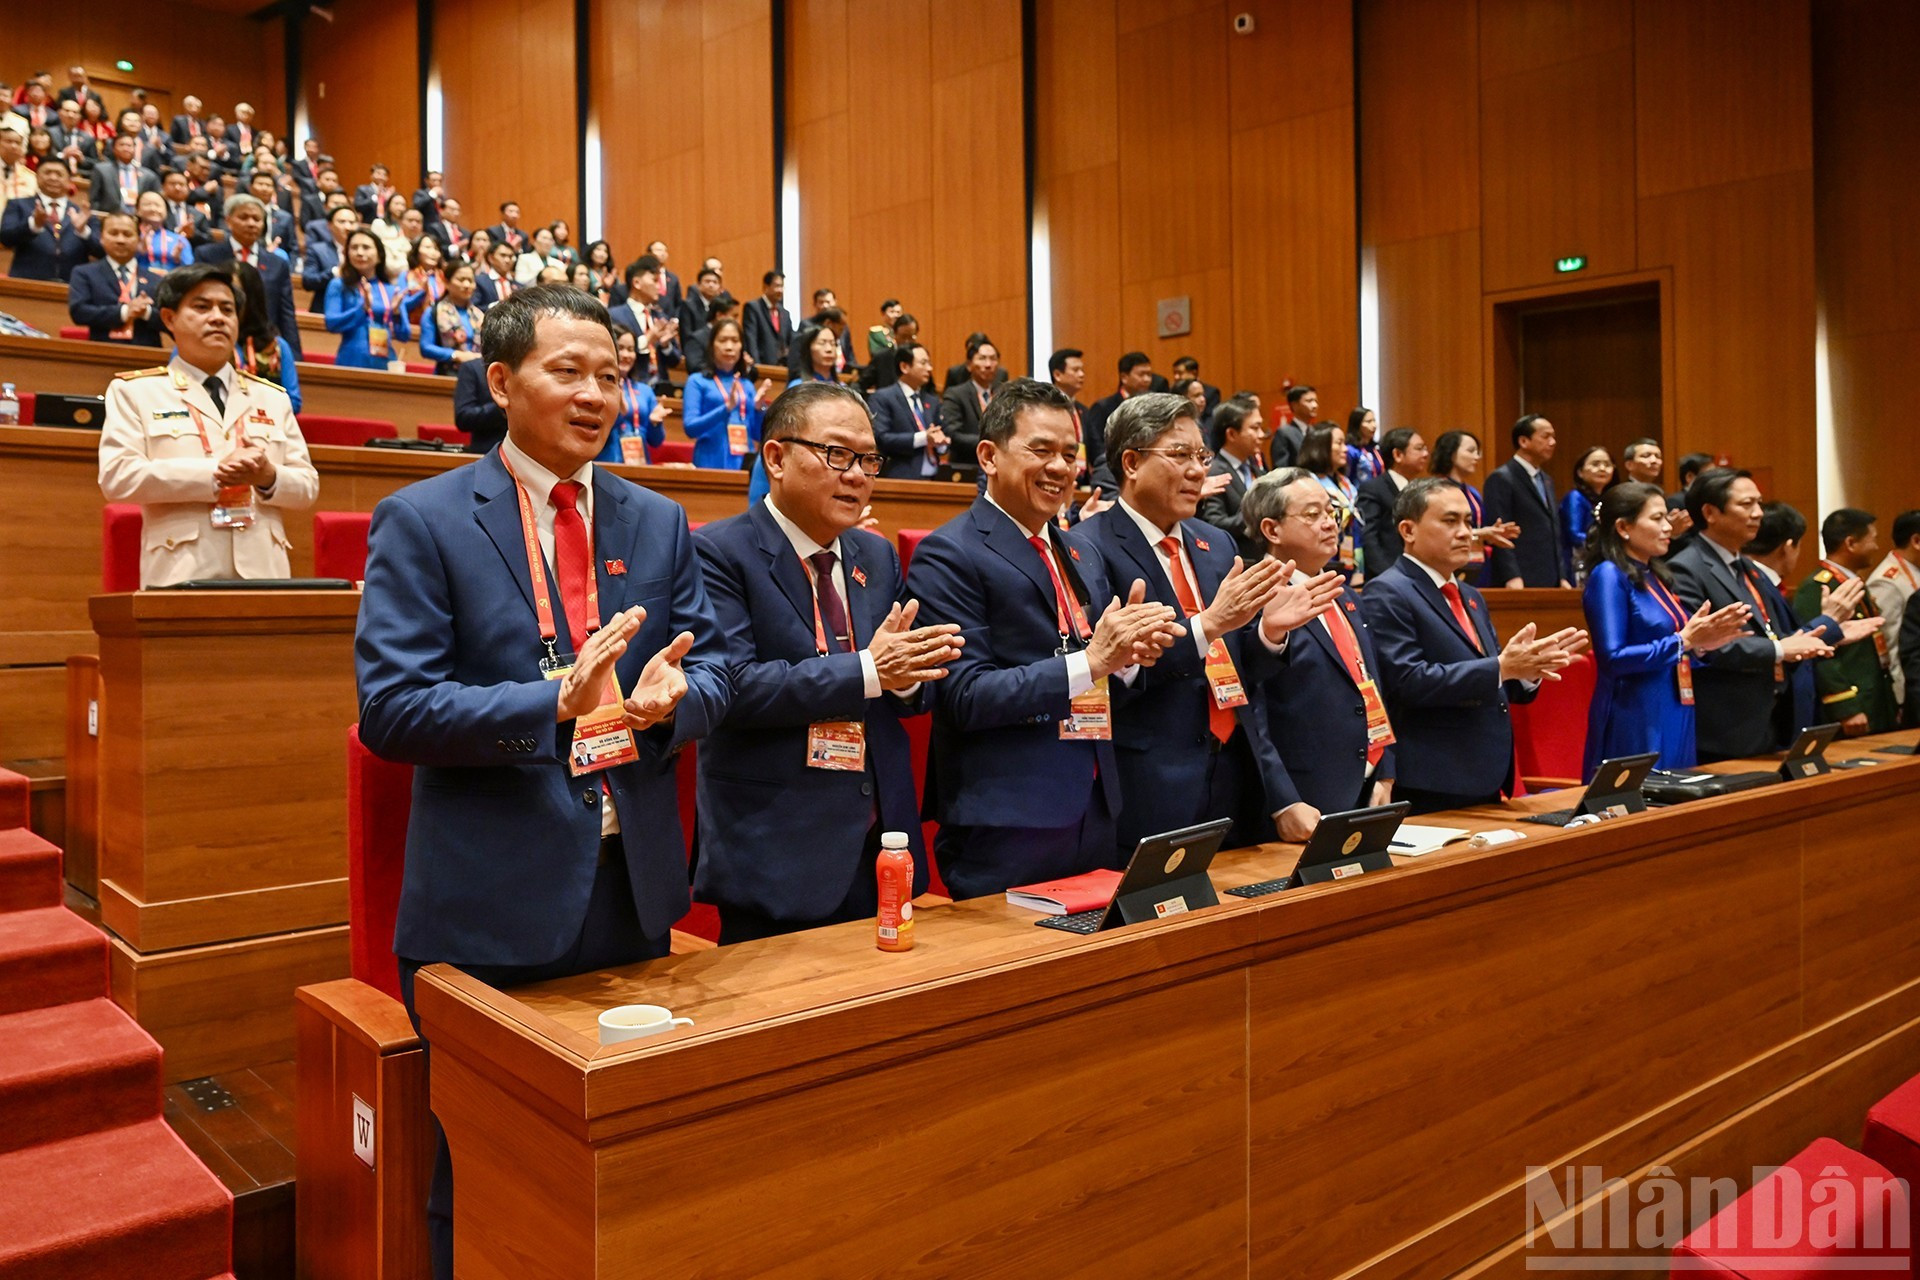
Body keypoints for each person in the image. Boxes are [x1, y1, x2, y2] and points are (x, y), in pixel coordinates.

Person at [354, 283, 728, 1280]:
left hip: (631, 886)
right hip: (489, 899)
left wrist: (671, 700)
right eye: (570, 371)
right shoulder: (424, 519)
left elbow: (717, 666)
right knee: (479, 1167)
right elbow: (391, 711)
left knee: (619, 1163)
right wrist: (550, 705)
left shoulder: (655, 520)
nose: (598, 393)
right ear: (501, 381)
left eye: (612, 375)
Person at [693, 382, 962, 941]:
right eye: (837, 454)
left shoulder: (876, 553)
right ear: (776, 457)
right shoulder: (718, 551)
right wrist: (870, 670)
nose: (857, 474)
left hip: (881, 841)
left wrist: (911, 678)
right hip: (777, 847)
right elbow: (733, 688)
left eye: (868, 459)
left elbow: (905, 683)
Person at [904, 379, 1186, 899]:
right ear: (988, 455)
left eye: (1069, 453)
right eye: (1041, 450)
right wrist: (1093, 660)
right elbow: (965, 695)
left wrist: (1126, 661)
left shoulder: (1080, 550)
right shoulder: (949, 553)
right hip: (1008, 818)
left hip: (1097, 803)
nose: (1061, 467)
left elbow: (1100, 673)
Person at [1079, 394, 1324, 852]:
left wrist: (1269, 634)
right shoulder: (1087, 548)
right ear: (1131, 463)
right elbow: (1110, 678)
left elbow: (1235, 666)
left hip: (1236, 768)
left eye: (1201, 456)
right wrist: (1206, 625)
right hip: (1150, 778)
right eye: (1179, 455)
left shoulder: (1215, 541)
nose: (1198, 471)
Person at [1362, 478, 1587, 812]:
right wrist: (1502, 667)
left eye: (1469, 522)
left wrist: (1526, 672)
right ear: (1408, 530)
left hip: (1487, 774)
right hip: (1433, 779)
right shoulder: (1387, 592)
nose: (1467, 532)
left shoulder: (1470, 596)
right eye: (1450, 521)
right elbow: (1407, 682)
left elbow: (1493, 682)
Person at [97, 262, 317, 587]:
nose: (217, 317)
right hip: (181, 572)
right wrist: (213, 474)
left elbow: (307, 487)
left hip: (265, 575)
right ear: (170, 318)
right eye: (202, 307)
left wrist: (268, 477)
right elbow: (118, 479)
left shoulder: (272, 396)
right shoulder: (136, 392)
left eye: (227, 309)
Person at [1241, 467, 1397, 838]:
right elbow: (1251, 711)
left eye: (1331, 512)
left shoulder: (1346, 595)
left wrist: (1386, 766)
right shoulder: (1253, 599)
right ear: (1271, 530)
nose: (1329, 523)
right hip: (1303, 801)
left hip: (1367, 789)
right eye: (1313, 514)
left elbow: (1368, 684)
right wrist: (1283, 800)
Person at [1666, 468, 1844, 762]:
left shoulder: (1746, 567)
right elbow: (1703, 647)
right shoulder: (1686, 568)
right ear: (1710, 512)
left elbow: (1774, 632)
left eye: (1759, 503)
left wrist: (1829, 630)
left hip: (1772, 718)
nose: (1758, 513)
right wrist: (1779, 649)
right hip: (1726, 728)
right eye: (1746, 504)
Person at [1581, 482, 1750, 773]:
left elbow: (1679, 646)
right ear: (1623, 527)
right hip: (1635, 711)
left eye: (1667, 518)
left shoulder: (1654, 574)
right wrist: (1684, 641)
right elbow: (1612, 658)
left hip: (1675, 703)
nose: (1668, 527)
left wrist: (1704, 646)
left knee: (1678, 797)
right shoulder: (1609, 575)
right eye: (1657, 518)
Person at [1744, 502, 1862, 738]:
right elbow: (1777, 646)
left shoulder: (1762, 582)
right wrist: (1829, 621)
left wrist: (1832, 634)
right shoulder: (1752, 583)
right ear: (1788, 547)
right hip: (1765, 720)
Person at [1795, 508, 1899, 736]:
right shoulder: (1817, 587)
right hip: (1853, 705)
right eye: (1873, 539)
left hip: (1875, 697)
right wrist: (1844, 706)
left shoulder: (1852, 582)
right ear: (1850, 543)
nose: (1877, 547)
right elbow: (1817, 650)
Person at [193, 194, 302, 358]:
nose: (251, 223)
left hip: (263, 346)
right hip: (215, 340)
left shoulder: (277, 264)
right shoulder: (208, 255)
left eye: (257, 219)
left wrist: (294, 354)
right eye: (244, 217)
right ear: (228, 221)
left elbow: (286, 312)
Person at [1484, 414, 1568, 588]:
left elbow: (1553, 530)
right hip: (1520, 578)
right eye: (1546, 437)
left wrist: (1561, 576)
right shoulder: (1502, 478)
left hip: (1550, 578)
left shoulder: (1546, 479)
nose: (1553, 442)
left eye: (1553, 437)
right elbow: (1500, 531)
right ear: (1523, 441)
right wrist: (1511, 576)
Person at [681, 317, 772, 471]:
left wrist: (758, 409)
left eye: (735, 341)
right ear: (711, 345)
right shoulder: (697, 381)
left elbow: (757, 435)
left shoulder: (747, 385)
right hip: (710, 461)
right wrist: (726, 408)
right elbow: (690, 428)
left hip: (744, 462)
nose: (729, 347)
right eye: (723, 340)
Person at [67, 211, 165, 345]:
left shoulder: (156, 280)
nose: (121, 240)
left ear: (139, 239)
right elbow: (79, 312)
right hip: (101, 353)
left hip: (146, 355)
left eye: (127, 234)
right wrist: (124, 312)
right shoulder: (84, 273)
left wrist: (146, 312)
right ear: (101, 238)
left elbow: (171, 321)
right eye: (113, 233)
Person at [324, 227, 412, 369]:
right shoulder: (339, 285)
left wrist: (396, 314)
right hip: (350, 361)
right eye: (354, 248)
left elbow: (404, 335)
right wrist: (362, 309)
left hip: (385, 362)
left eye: (366, 247)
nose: (359, 253)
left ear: (379, 255)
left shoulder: (391, 290)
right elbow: (331, 323)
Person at [2, 158, 100, 280]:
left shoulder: (83, 213)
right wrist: (33, 225)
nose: (53, 178)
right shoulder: (18, 205)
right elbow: (5, 239)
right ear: (37, 177)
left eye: (59, 174)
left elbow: (101, 251)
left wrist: (83, 232)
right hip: (26, 284)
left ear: (69, 180)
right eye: (47, 173)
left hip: (73, 287)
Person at [1197, 398, 1269, 563]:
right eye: (1254, 428)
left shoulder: (1256, 469)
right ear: (1231, 434)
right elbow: (1213, 524)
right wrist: (1257, 513)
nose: (1261, 435)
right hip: (1236, 564)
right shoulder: (1213, 472)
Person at [1354, 427, 1429, 578]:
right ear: (1397, 455)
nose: (1426, 454)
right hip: (1387, 577)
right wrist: (1388, 575)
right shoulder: (1373, 488)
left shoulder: (1419, 491)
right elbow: (1369, 537)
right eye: (1419, 449)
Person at [229, 261, 302, 413]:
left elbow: (293, 402)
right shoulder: (196, 345)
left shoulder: (276, 346)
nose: (230, 302)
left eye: (237, 294)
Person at [1866, 509, 1920, 715]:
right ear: (1916, 541)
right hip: (1905, 691)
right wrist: (1899, 696)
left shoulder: (1914, 570)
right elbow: (1887, 644)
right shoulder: (1887, 581)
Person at [871, 343, 947, 479]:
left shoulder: (932, 401)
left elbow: (942, 433)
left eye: (929, 363)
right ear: (904, 367)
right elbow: (882, 438)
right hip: (902, 476)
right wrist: (924, 438)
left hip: (936, 476)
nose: (929, 368)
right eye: (923, 363)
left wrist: (941, 442)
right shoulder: (883, 398)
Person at [596, 325, 669, 465]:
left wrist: (655, 424)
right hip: (606, 463)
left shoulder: (645, 390)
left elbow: (656, 441)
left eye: (630, 350)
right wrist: (619, 412)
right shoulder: (597, 386)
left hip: (639, 465)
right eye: (620, 348)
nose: (626, 355)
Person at [1298, 424, 1361, 582]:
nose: (1345, 449)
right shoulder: (1306, 483)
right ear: (1321, 446)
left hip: (1350, 550)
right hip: (1322, 556)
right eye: (1339, 443)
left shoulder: (1345, 482)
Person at [607, 255, 680, 389]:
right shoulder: (614, 315)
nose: (660, 287)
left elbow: (675, 361)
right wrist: (647, 340)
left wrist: (665, 346)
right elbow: (611, 354)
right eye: (655, 281)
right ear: (637, 283)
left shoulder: (661, 317)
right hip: (630, 388)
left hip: (662, 389)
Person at [938, 337, 1000, 485]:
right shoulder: (955, 394)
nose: (988, 364)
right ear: (969, 365)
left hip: (999, 471)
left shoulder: (1004, 394)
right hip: (967, 469)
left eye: (993, 359)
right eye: (982, 359)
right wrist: (993, 444)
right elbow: (952, 433)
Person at [1082, 352, 1153, 477]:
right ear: (1124, 377)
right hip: (1112, 473)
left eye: (1149, 374)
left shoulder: (1152, 407)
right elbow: (1097, 447)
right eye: (1142, 374)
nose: (1147, 379)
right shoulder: (1103, 407)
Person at [419, 262, 485, 376]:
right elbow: (426, 347)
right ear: (447, 282)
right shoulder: (433, 312)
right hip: (447, 374)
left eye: (471, 280)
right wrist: (456, 355)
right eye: (461, 279)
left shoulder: (480, 315)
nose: (466, 285)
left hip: (478, 375)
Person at [1561, 446, 1612, 583]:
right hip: (1576, 565)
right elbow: (1574, 534)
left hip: (1597, 562)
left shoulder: (1607, 499)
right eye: (1595, 464)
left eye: (1607, 464)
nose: (1602, 468)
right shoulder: (1575, 497)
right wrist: (1609, 543)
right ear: (1580, 472)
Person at [302, 204, 358, 312]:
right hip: (324, 310)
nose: (348, 227)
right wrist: (335, 272)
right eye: (342, 222)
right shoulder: (318, 250)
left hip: (356, 311)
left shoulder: (363, 252)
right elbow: (308, 281)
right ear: (329, 225)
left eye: (352, 222)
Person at [90, 132, 160, 217]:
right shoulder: (101, 170)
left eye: (129, 146)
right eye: (122, 145)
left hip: (138, 219)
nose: (126, 148)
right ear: (113, 149)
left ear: (135, 149)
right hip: (109, 217)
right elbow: (94, 200)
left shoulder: (149, 176)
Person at [452, 358, 507, 454]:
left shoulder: (527, 369)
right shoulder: (472, 368)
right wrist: (502, 406)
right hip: (487, 453)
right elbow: (463, 417)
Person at [741, 270, 791, 368]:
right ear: (766, 287)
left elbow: (789, 340)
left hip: (782, 368)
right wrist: (757, 366)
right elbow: (751, 339)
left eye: (782, 286)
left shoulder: (785, 313)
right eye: (777, 286)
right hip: (762, 366)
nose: (780, 290)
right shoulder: (753, 308)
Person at [1270, 385, 1317, 469]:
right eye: (1309, 401)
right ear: (1294, 405)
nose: (1315, 405)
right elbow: (1281, 469)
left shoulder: (1315, 432)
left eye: (1315, 401)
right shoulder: (1284, 433)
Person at [474, 239, 519, 310]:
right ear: (491, 258)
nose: (507, 260)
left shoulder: (519, 286)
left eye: (510, 256)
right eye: (503, 255)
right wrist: (496, 306)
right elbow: (473, 308)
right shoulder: (479, 282)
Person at [1346, 407, 1385, 486]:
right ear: (1357, 424)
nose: (1374, 425)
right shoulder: (1351, 451)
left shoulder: (1375, 450)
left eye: (1374, 421)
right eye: (1368, 421)